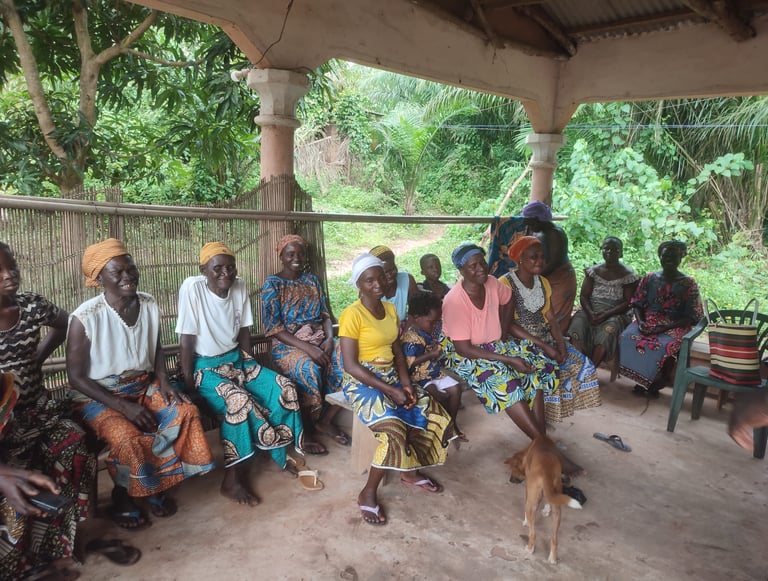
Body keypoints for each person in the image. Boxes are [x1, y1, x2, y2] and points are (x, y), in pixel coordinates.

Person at [67, 239, 215, 530]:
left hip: (142, 385)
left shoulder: (147, 303)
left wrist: (163, 379)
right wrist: (122, 406)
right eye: (118, 272)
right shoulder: (85, 317)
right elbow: (76, 378)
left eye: (131, 268)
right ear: (98, 278)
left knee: (184, 412)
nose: (128, 276)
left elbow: (155, 347)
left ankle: (154, 484)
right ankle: (123, 497)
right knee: (127, 437)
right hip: (98, 395)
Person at [177, 242, 310, 505]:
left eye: (230, 267)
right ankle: (232, 478)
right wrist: (189, 385)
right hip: (205, 367)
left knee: (284, 387)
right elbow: (186, 341)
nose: (225, 273)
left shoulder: (239, 285)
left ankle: (278, 451)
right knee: (238, 402)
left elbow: (245, 332)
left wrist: (251, 368)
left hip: (238, 360)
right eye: (217, 268)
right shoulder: (192, 288)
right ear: (204, 270)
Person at [440, 243, 583, 476]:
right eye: (472, 266)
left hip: (493, 343)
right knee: (505, 382)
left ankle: (539, 445)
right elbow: (464, 348)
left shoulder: (493, 284)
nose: (480, 269)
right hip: (464, 352)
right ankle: (549, 452)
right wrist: (507, 359)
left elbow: (508, 301)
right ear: (462, 271)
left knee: (537, 367)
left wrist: (504, 330)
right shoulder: (455, 301)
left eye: (482, 262)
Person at [0, 242, 96, 580]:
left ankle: (67, 540)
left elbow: (67, 323)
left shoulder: (31, 305)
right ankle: (25, 559)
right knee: (19, 471)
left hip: (38, 409)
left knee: (74, 444)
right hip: (3, 425)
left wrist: (37, 356)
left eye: (11, 266)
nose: (8, 274)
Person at [339, 254, 454, 526]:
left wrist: (404, 384)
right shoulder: (351, 315)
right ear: (359, 284)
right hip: (362, 382)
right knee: (392, 429)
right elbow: (351, 365)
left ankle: (409, 472)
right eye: (370, 280)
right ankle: (367, 493)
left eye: (381, 276)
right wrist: (391, 391)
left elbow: (398, 352)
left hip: (391, 376)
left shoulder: (390, 311)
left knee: (432, 412)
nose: (378, 284)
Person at [261, 235, 349, 451]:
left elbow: (326, 315)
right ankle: (306, 428)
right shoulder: (273, 284)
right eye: (290, 254)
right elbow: (274, 328)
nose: (296, 258)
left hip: (320, 338)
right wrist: (309, 348)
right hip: (288, 346)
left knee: (348, 358)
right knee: (307, 368)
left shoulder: (312, 281)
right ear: (281, 256)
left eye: (300, 253)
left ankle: (326, 419)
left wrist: (329, 339)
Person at [500, 237, 601, 423]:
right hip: (517, 341)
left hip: (545, 337)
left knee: (580, 364)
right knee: (543, 366)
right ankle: (536, 421)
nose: (539, 261)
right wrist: (546, 348)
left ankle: (545, 415)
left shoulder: (543, 282)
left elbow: (551, 318)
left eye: (542, 257)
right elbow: (509, 326)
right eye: (533, 257)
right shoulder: (505, 284)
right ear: (520, 259)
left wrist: (561, 345)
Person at [618, 240, 703, 397]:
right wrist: (641, 322)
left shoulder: (688, 283)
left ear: (681, 258)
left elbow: (692, 316)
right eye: (665, 256)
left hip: (675, 325)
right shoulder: (650, 278)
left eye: (674, 256)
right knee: (628, 336)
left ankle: (659, 381)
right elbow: (637, 303)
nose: (669, 259)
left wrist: (663, 328)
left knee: (663, 344)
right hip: (649, 320)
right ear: (659, 257)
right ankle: (643, 380)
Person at [569, 237, 640, 369]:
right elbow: (584, 296)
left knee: (608, 331)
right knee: (578, 323)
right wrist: (590, 313)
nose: (609, 252)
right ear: (601, 250)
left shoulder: (628, 275)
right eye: (606, 248)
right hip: (592, 310)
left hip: (616, 312)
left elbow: (627, 303)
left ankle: (589, 370)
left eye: (614, 250)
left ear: (621, 253)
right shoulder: (593, 271)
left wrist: (605, 314)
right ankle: (576, 366)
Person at [401, 292, 465, 440]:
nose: (435, 325)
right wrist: (431, 355)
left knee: (456, 389)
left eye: (437, 322)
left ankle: (452, 424)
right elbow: (408, 363)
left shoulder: (425, 331)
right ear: (417, 318)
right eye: (432, 322)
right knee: (438, 394)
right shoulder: (410, 338)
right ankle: (442, 427)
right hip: (418, 377)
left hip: (433, 373)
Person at [521, 201, 577, 329]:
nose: (527, 225)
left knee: (554, 316)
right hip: (545, 277)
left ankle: (557, 344)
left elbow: (552, 263)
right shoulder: (538, 231)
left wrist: (530, 276)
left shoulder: (554, 233)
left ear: (539, 219)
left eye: (530, 221)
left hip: (560, 278)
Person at [369, 245, 419, 322]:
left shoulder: (407, 280)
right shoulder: (369, 290)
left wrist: (406, 332)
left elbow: (416, 311)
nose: (390, 274)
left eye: (392, 269)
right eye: (385, 272)